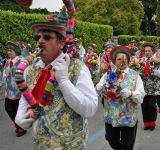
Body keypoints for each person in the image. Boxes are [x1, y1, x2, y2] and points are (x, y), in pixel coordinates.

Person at [15, 17, 98, 149]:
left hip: (72, 145)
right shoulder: (30, 70)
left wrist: (64, 82)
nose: (40, 41)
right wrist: (20, 116)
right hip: (40, 144)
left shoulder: (78, 68)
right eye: (38, 37)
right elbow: (26, 99)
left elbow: (90, 109)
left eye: (47, 37)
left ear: (61, 43)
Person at [96, 46, 145, 150]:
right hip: (111, 116)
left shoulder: (135, 76)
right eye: (119, 59)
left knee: (128, 145)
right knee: (111, 139)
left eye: (125, 59)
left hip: (128, 117)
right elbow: (99, 89)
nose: (123, 61)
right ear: (114, 61)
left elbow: (141, 96)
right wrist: (101, 88)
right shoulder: (108, 74)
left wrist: (130, 93)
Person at [139, 43, 160, 130]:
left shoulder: (157, 60)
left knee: (151, 105)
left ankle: (152, 121)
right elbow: (135, 72)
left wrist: (156, 71)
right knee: (144, 105)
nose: (147, 52)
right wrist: (139, 72)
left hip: (154, 87)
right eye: (145, 51)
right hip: (143, 87)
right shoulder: (140, 60)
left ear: (153, 51)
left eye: (149, 51)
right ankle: (146, 123)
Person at [2, 41, 27, 137]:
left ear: (16, 52)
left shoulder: (22, 62)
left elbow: (25, 75)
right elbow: (5, 75)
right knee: (8, 108)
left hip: (18, 92)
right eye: (8, 50)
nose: (9, 52)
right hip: (9, 91)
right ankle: (18, 125)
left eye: (11, 51)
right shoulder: (8, 62)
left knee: (17, 111)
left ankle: (21, 128)